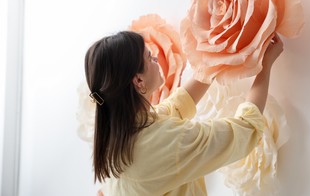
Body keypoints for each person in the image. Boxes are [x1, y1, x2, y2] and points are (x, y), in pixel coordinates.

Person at [84, 31, 283, 196]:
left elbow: (175, 107)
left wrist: (216, 57)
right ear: (138, 81)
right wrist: (265, 67)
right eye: (149, 57)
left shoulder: (115, 135)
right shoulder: (163, 142)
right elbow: (245, 130)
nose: (155, 59)